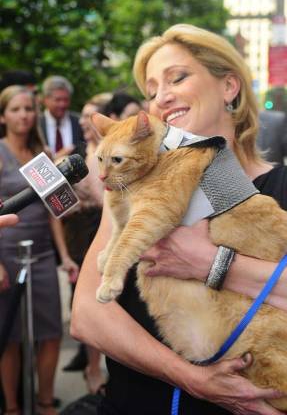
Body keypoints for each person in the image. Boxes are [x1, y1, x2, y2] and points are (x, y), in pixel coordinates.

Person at [71, 24, 287, 415]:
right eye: (151, 91)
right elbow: (87, 315)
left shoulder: (281, 186)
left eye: (177, 78)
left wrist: (210, 263)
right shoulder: (131, 187)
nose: (162, 98)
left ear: (229, 87)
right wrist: (192, 379)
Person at [0, 85, 79, 415]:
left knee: (50, 332)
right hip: (6, 250)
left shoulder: (41, 153)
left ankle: (46, 403)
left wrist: (65, 256)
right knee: (12, 335)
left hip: (43, 253)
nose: (24, 115)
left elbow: (55, 212)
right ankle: (13, 407)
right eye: (16, 109)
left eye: (28, 109)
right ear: (3, 115)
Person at [62, 95, 109, 389]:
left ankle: (102, 366)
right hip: (79, 235)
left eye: (90, 116)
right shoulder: (74, 154)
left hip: (106, 230)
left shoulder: (111, 151)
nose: (83, 121)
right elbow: (56, 209)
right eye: (82, 116)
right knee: (84, 301)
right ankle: (92, 366)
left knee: (108, 301)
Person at [39, 75, 85, 161]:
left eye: (66, 100)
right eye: (58, 100)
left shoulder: (80, 122)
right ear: (45, 100)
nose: (62, 104)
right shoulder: (36, 124)